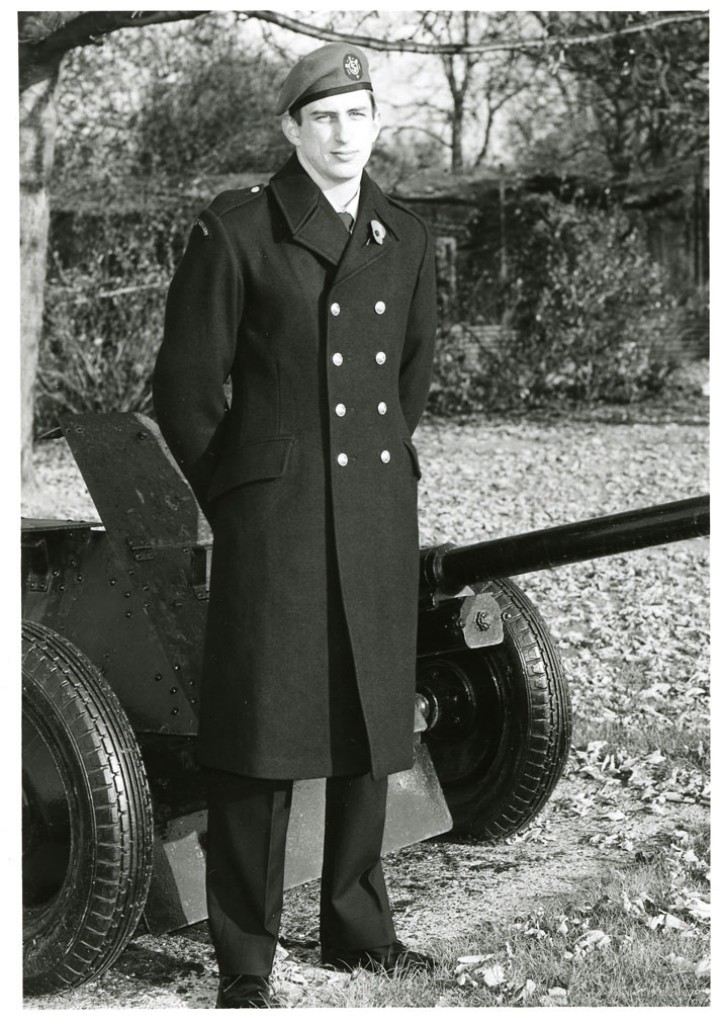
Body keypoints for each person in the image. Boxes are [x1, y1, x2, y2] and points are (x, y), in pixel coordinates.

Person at [152, 41, 437, 1009]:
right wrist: (241, 491)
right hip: (274, 519)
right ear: (290, 129)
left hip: (371, 512)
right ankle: (245, 957)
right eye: (322, 117)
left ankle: (357, 930)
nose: (342, 132)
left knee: (366, 722)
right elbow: (186, 392)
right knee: (258, 735)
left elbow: (410, 377)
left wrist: (384, 470)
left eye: (357, 114)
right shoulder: (237, 232)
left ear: (373, 123)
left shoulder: (405, 235)